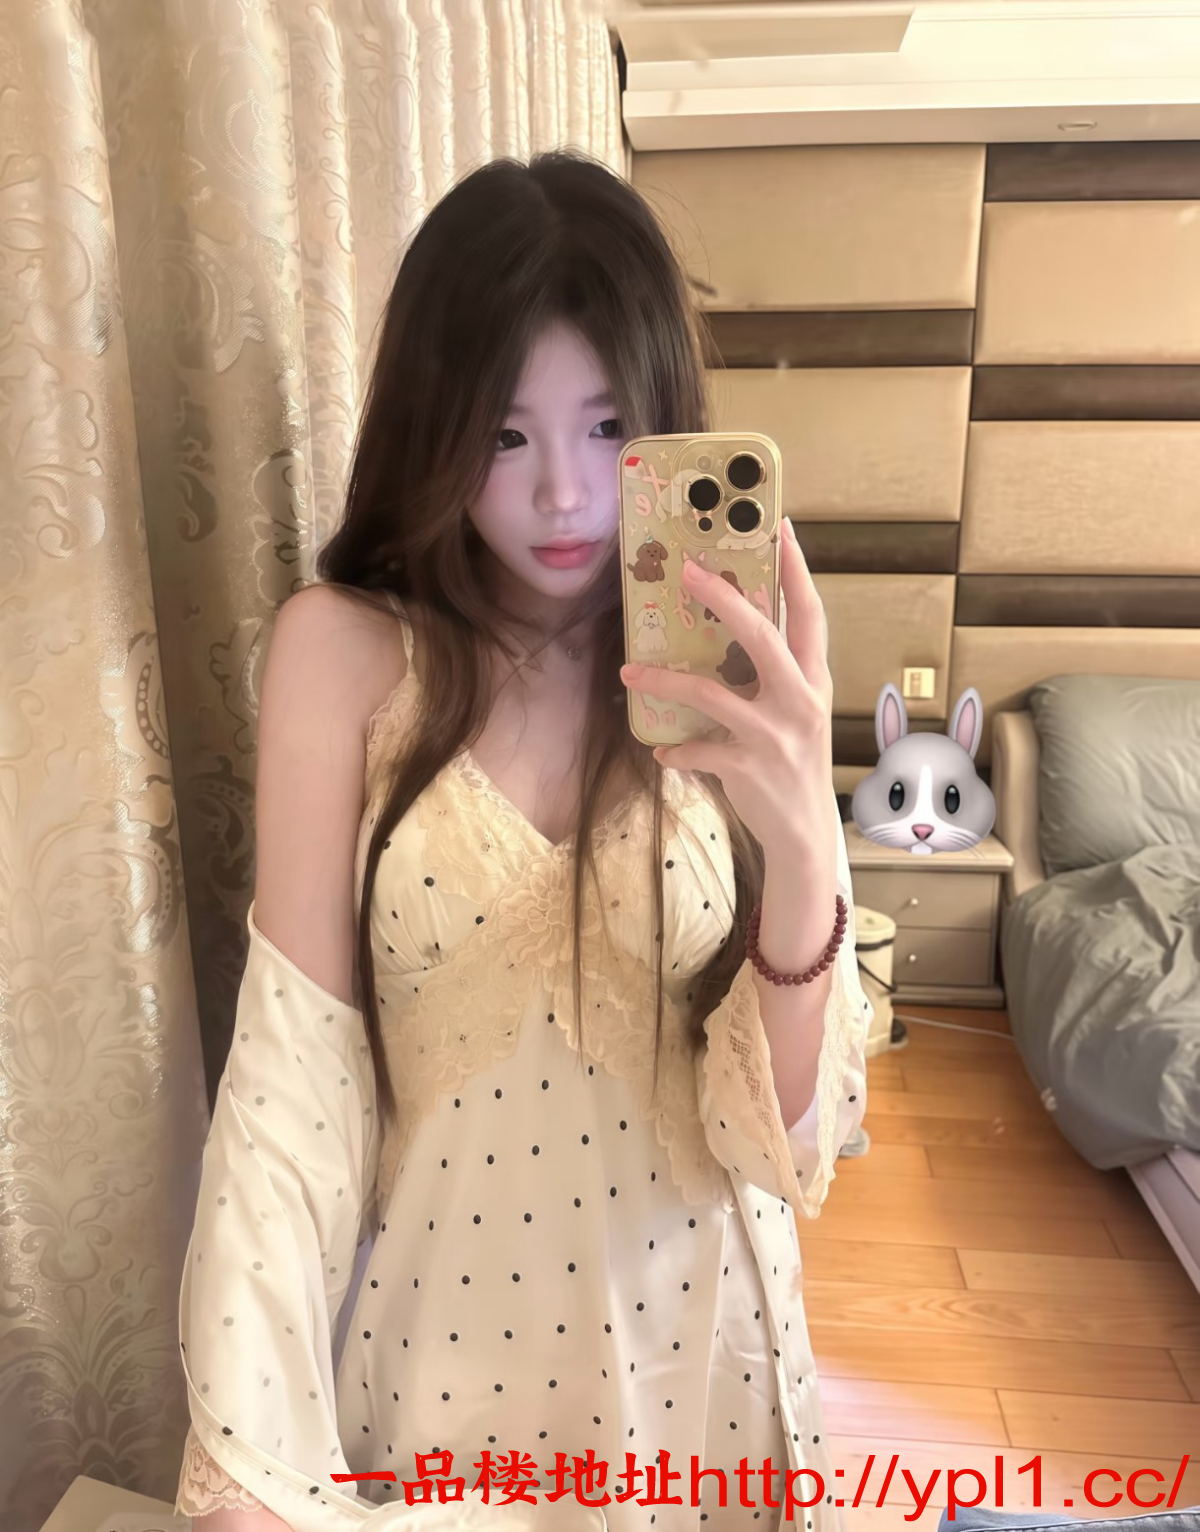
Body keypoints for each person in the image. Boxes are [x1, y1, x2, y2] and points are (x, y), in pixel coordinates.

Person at [175, 149, 871, 1532]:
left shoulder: (726, 669)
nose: (561, 494)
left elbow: (788, 1138)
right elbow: (291, 1088)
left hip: (699, 1368)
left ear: (664, 428)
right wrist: (248, 1463)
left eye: (608, 429)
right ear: (435, 430)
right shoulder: (344, 657)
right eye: (505, 435)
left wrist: (805, 845)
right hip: (445, 1381)